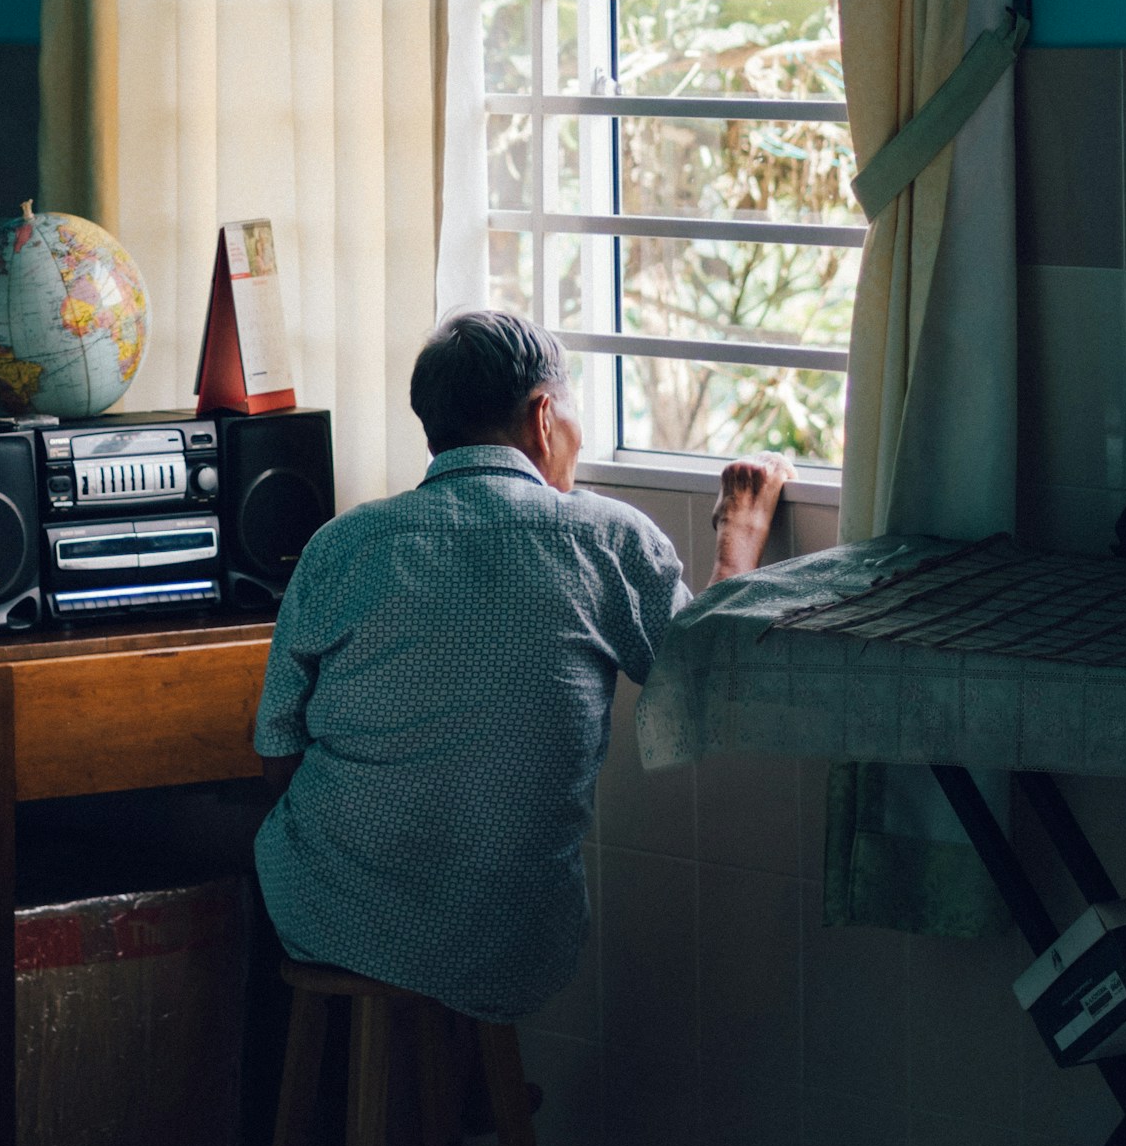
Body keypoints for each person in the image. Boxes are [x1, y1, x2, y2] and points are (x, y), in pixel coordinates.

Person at [252, 309, 791, 1029]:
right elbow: (709, 686)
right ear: (543, 417)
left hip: (321, 914)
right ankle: (464, 1086)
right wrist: (740, 534)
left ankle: (418, 1084)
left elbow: (277, 754)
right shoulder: (604, 540)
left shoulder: (341, 545)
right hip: (510, 937)